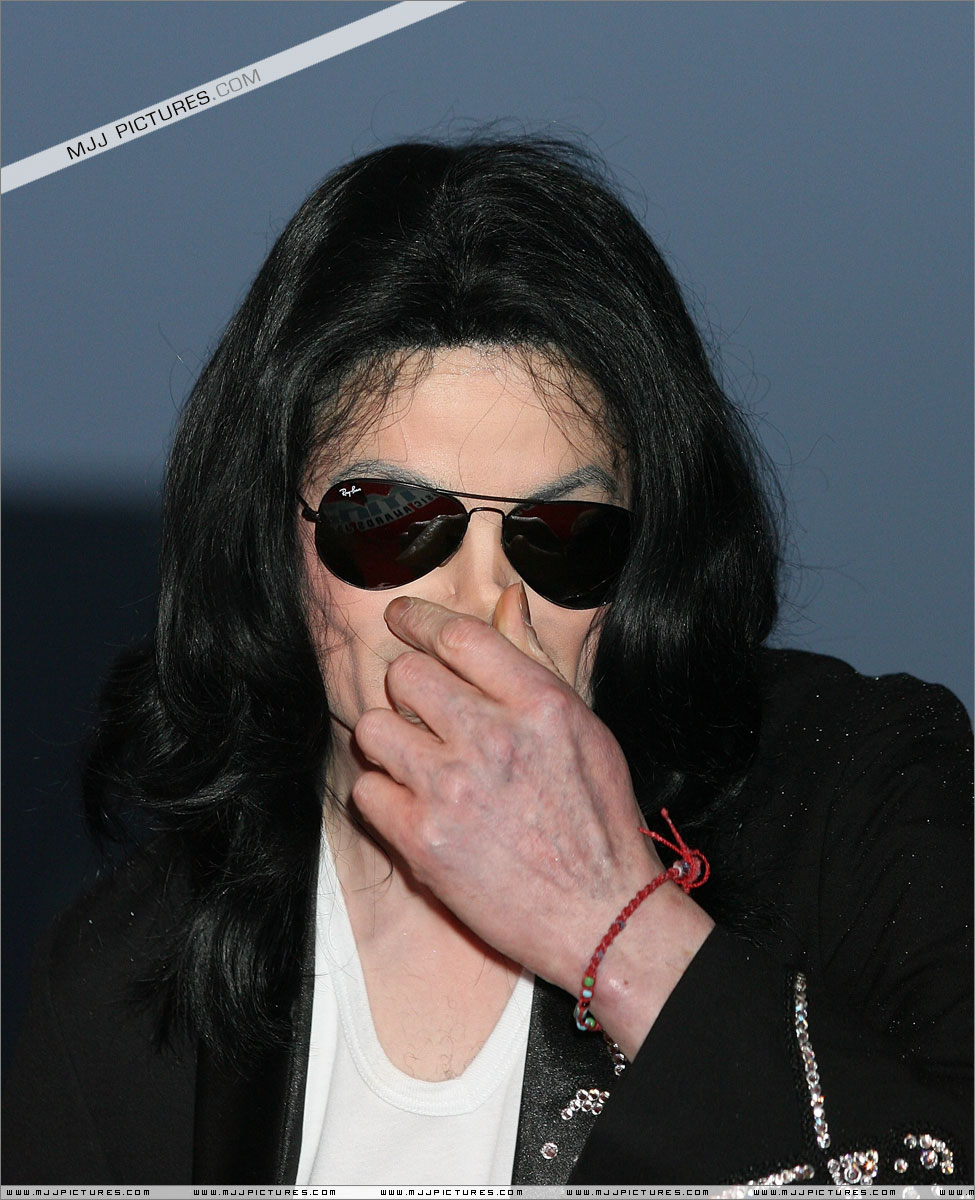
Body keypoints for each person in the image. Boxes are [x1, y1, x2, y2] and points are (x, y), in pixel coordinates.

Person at [3, 137, 971, 1186]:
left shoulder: (856, 801)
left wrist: (616, 928)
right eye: (389, 524)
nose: (481, 603)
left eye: (561, 535)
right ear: (269, 542)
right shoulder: (125, 978)